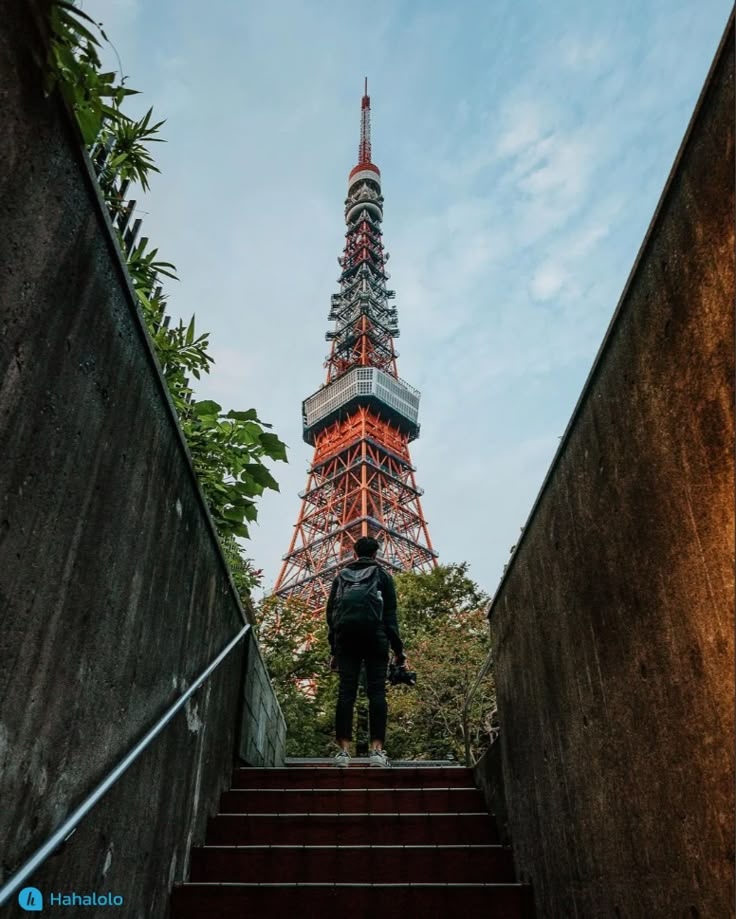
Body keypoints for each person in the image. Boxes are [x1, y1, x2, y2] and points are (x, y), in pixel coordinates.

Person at [326, 535, 407, 768]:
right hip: (376, 639)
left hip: (346, 641)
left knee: (345, 693)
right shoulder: (383, 575)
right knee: (377, 693)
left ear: (354, 554)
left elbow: (331, 616)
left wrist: (335, 650)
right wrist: (398, 650)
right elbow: (390, 617)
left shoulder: (341, 577)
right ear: (375, 555)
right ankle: (377, 752)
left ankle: (342, 753)